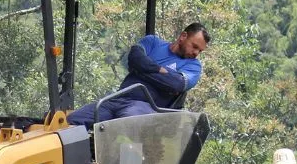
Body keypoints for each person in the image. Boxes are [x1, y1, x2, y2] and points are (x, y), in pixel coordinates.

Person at [67, 23, 210, 126]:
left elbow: (176, 83)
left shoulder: (193, 66)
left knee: (126, 125)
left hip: (144, 107)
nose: (196, 53)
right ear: (183, 36)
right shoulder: (152, 42)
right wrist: (160, 70)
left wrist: (140, 69)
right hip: (117, 99)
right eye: (195, 46)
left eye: (200, 51)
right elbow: (135, 58)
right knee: (72, 121)